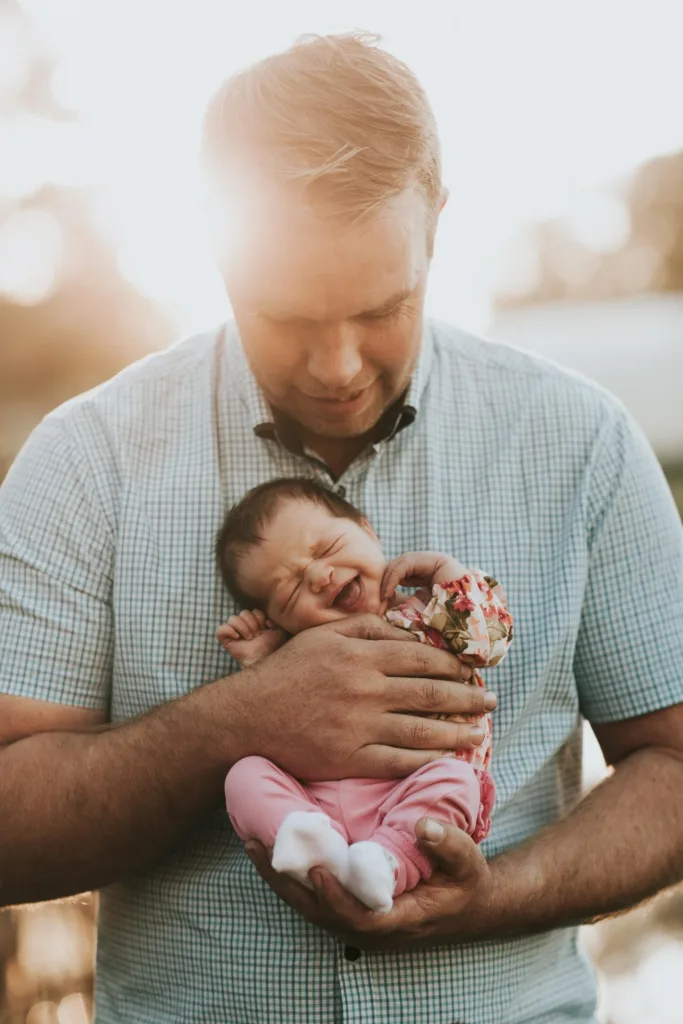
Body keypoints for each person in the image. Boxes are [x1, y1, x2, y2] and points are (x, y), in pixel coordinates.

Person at [0, 30, 682, 1024]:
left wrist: (495, 896)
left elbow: (670, 763)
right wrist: (239, 722)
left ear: (437, 226)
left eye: (380, 307)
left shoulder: (579, 443)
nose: (337, 365)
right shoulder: (84, 460)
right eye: (285, 315)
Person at [215, 477, 512, 912]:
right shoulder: (298, 654)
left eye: (327, 547)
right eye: (292, 589)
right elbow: (273, 717)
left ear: (367, 529)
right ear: (279, 620)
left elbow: (490, 642)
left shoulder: (429, 614)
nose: (319, 575)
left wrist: (447, 573)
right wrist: (261, 662)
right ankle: (307, 842)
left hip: (418, 787)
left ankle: (385, 864)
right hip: (320, 804)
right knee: (243, 774)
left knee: (458, 783)